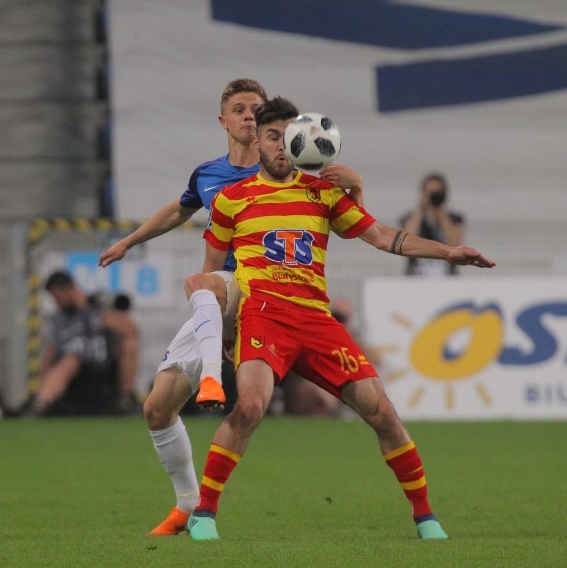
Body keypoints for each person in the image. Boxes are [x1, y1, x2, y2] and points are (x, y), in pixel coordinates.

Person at [186, 96, 495, 541]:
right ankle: (204, 514)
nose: (282, 145)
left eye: (290, 137)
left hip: (316, 320)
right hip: (264, 315)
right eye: (274, 135)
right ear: (258, 138)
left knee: (382, 411)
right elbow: (215, 273)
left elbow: (384, 236)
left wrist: (449, 252)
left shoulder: (322, 194)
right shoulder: (232, 199)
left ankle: (426, 517)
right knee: (251, 407)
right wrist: (223, 331)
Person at [98, 78, 367, 535]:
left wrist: (356, 186)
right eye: (239, 109)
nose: (249, 116)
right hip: (219, 297)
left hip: (264, 295)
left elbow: (347, 220)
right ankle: (186, 505)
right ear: (223, 121)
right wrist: (128, 240)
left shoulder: (290, 168)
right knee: (157, 409)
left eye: (255, 109)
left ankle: (211, 377)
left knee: (214, 303)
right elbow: (179, 210)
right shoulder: (208, 175)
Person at [26, 270, 140, 416]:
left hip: (104, 365)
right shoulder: (58, 319)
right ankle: (40, 404)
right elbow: (50, 354)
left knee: (129, 344)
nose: (56, 302)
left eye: (57, 296)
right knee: (71, 358)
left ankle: (126, 399)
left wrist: (97, 313)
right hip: (76, 372)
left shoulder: (98, 308)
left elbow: (131, 330)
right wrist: (42, 385)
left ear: (69, 289)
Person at [399, 172, 466, 276]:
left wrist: (441, 212)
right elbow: (407, 240)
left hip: (447, 274)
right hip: (416, 274)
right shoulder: (411, 217)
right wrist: (420, 208)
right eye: (429, 192)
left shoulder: (455, 219)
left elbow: (454, 245)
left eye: (437, 192)